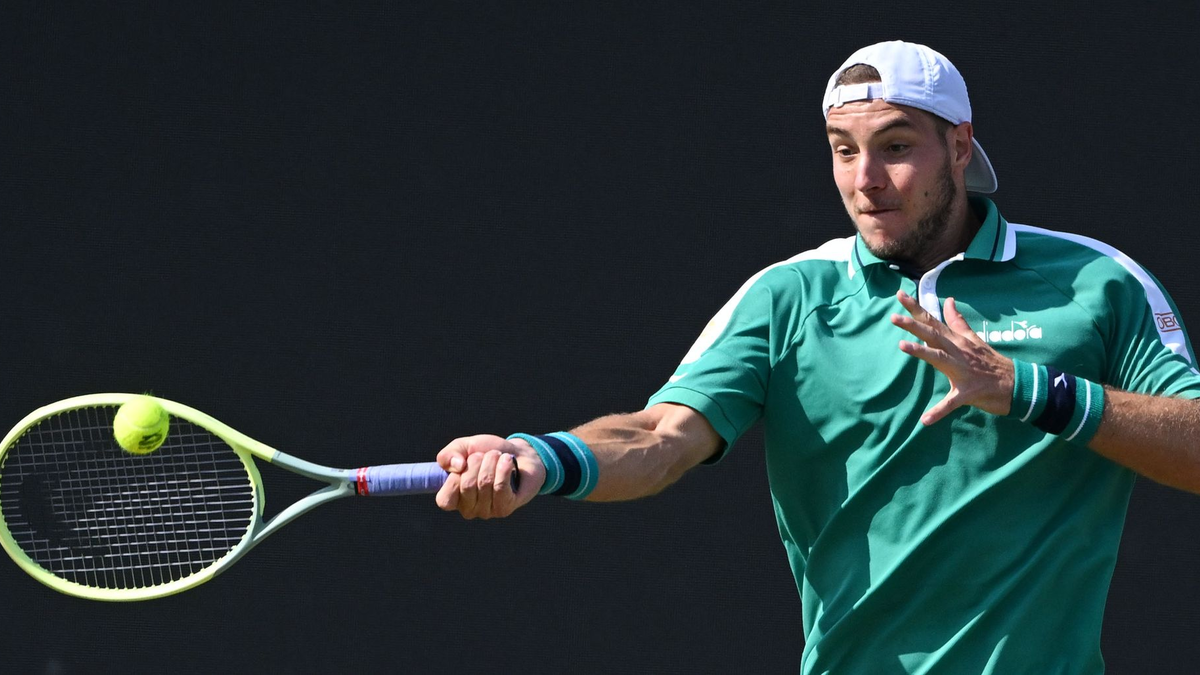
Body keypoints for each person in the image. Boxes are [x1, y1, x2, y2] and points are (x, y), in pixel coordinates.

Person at [433, 40, 1200, 672]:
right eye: (844, 151)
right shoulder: (788, 297)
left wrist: (1029, 390)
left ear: (959, 147)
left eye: (895, 148)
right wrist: (543, 457)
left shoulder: (1097, 282)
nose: (865, 181)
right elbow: (659, 437)